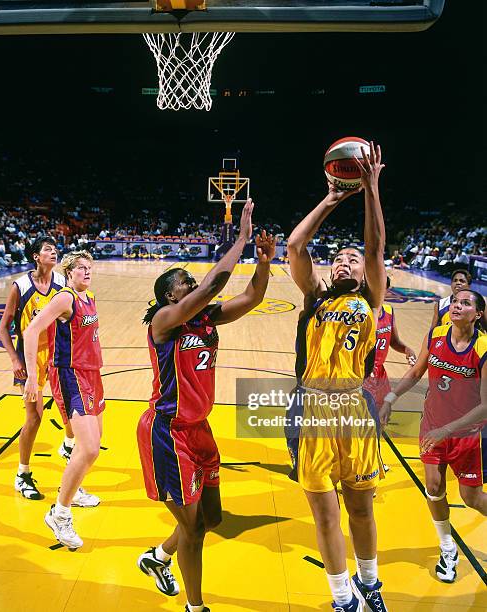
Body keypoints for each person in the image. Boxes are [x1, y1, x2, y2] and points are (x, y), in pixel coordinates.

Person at [136, 200, 275, 612]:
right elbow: (213, 285)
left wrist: (263, 262)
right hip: (168, 431)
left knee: (211, 519)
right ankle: (195, 607)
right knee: (194, 530)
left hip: (200, 429)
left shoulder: (205, 320)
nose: (191, 282)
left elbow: (251, 296)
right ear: (168, 295)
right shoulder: (164, 322)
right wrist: (242, 240)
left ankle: (158, 557)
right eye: (184, 281)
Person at [285, 142, 388, 611]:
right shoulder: (316, 299)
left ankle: (370, 585)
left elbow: (375, 247)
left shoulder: (370, 298)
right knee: (325, 512)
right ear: (329, 272)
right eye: (339, 259)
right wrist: (331, 198)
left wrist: (370, 190)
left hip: (355, 407)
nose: (346, 262)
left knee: (361, 507)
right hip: (314, 410)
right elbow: (294, 246)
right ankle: (342, 598)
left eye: (351, 259)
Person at [380, 289, 486, 583]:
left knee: (472, 498)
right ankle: (447, 547)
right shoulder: (437, 334)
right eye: (455, 301)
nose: (457, 305)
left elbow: (486, 405)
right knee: (434, 486)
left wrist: (447, 430)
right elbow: (416, 372)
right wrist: (390, 398)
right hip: (432, 426)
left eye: (465, 303)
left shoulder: (483, 348)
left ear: (477, 314)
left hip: (465, 435)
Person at [22, 250, 105, 549]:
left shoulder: (89, 297)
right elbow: (32, 331)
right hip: (71, 375)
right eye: (80, 268)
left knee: (93, 442)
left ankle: (75, 487)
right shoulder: (65, 298)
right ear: (68, 273)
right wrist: (33, 376)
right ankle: (60, 513)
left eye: (89, 267)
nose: (86, 272)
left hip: (92, 374)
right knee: (90, 448)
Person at [0, 236, 74, 500]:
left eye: (55, 249)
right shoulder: (21, 286)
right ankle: (23, 474)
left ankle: (68, 446)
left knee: (71, 410)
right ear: (35, 256)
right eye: (48, 250)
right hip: (30, 359)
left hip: (58, 354)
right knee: (35, 417)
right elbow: (3, 327)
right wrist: (14, 359)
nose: (54, 253)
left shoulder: (63, 284)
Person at [363, 278, 417, 410]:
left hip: (380, 373)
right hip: (362, 373)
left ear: (386, 290)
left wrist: (406, 349)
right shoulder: (360, 312)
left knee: (383, 412)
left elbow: (393, 341)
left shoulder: (388, 311)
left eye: (380, 287)